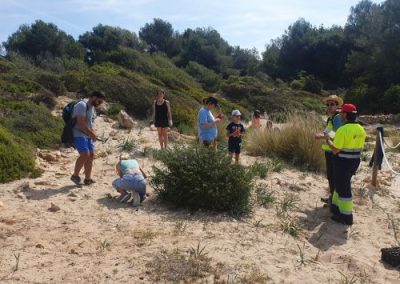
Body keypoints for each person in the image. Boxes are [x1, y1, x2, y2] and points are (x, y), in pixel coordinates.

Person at [326, 104, 366, 225]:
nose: (340, 115)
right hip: (355, 161)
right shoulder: (361, 129)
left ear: (345, 115)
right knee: (341, 185)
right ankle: (336, 208)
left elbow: (336, 150)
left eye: (341, 113)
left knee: (344, 189)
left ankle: (346, 216)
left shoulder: (343, 129)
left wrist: (328, 141)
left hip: (342, 162)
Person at [70, 91, 105, 186]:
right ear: (93, 97)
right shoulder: (82, 105)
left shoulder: (92, 107)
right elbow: (80, 123)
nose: (100, 104)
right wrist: (91, 134)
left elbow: (89, 122)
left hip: (87, 134)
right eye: (99, 101)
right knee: (85, 154)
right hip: (78, 133)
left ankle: (87, 179)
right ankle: (75, 176)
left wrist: (93, 133)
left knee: (91, 155)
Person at [315, 95, 343, 205]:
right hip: (329, 151)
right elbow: (328, 132)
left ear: (337, 105)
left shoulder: (336, 118)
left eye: (332, 104)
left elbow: (338, 134)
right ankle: (332, 198)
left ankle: (334, 201)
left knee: (333, 176)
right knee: (331, 176)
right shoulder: (331, 118)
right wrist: (322, 134)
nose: (329, 106)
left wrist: (322, 136)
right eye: (328, 104)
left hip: (333, 151)